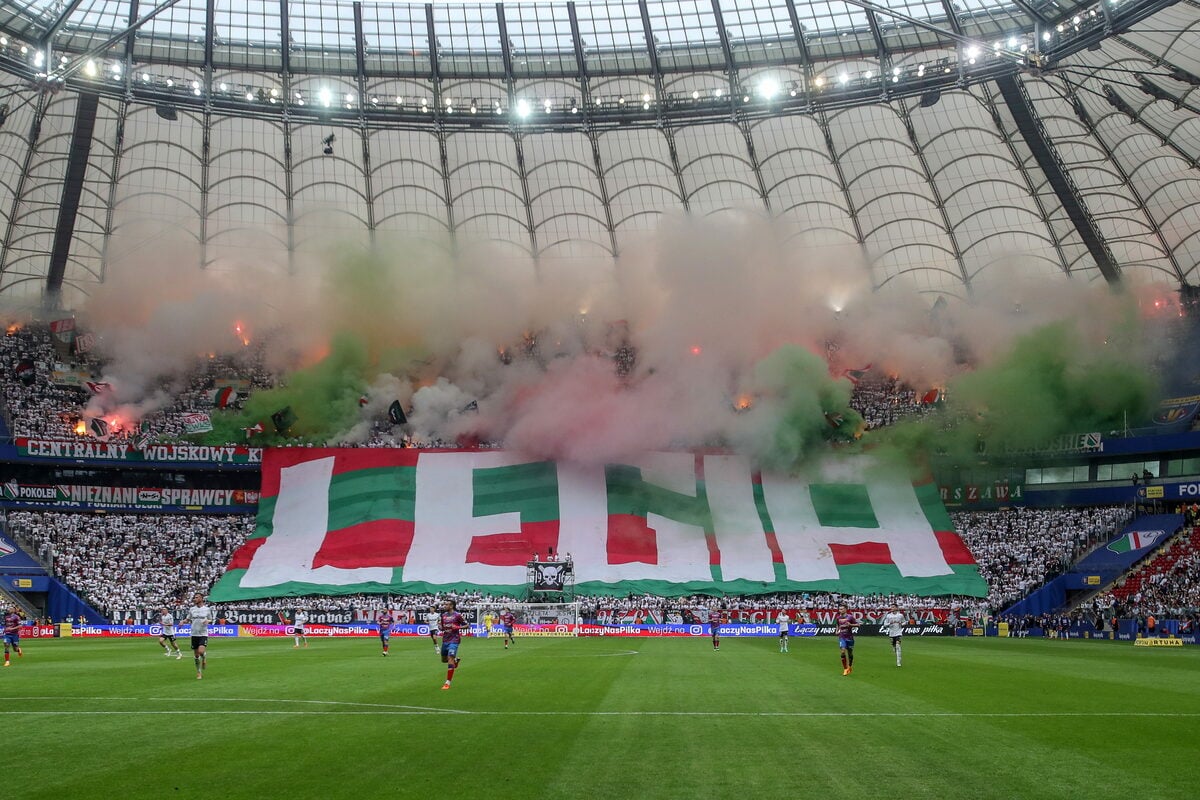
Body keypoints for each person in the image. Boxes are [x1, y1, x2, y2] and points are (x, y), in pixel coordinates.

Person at [438, 599, 468, 690]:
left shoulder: (457, 615)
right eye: (444, 604)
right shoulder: (443, 615)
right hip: (445, 640)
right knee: (444, 660)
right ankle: (455, 661)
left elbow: (467, 625)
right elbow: (442, 627)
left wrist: (458, 627)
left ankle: (447, 682)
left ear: (451, 606)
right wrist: (440, 627)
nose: (444, 606)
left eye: (446, 604)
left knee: (450, 658)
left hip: (454, 640)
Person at [186, 593, 213, 680]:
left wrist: (207, 621)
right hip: (194, 634)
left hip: (203, 634)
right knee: (196, 656)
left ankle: (204, 657)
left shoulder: (207, 609)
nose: (195, 599)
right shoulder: (192, 609)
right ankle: (199, 672)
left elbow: (211, 619)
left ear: (201, 598)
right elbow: (188, 618)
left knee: (201, 652)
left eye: (197, 597)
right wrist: (183, 622)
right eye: (194, 598)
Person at [836, 606, 856, 675]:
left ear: (845, 609)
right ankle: (845, 669)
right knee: (843, 651)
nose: (840, 610)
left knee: (850, 653)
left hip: (850, 637)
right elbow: (838, 625)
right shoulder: (838, 618)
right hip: (842, 637)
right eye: (839, 609)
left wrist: (850, 625)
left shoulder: (850, 617)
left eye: (841, 609)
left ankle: (849, 666)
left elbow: (858, 625)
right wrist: (837, 631)